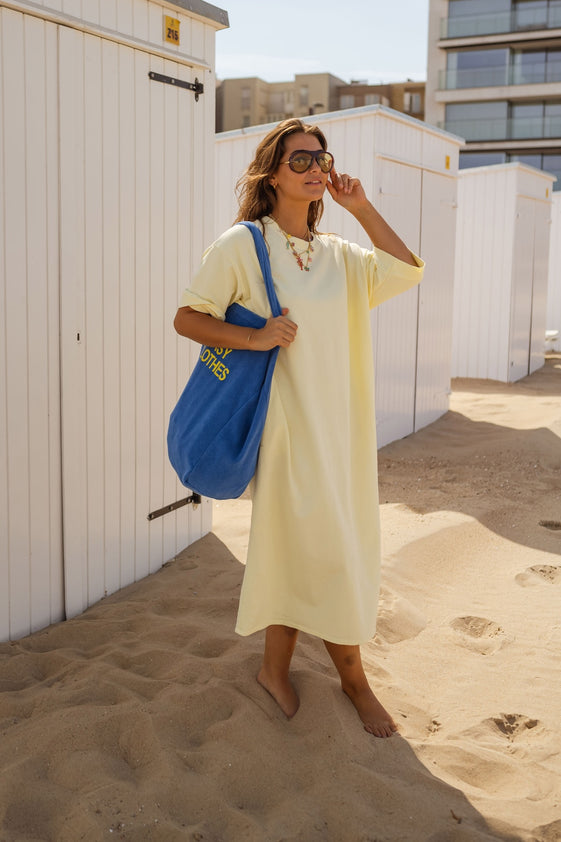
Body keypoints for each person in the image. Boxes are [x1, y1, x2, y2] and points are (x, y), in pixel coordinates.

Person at [174, 118, 424, 738]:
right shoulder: (243, 244)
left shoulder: (339, 254)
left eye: (322, 158)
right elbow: (188, 318)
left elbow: (406, 269)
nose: (316, 168)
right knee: (315, 547)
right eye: (301, 159)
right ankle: (352, 682)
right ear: (272, 174)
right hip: (288, 430)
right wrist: (256, 337)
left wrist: (360, 207)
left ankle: (277, 669)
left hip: (343, 432)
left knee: (318, 545)